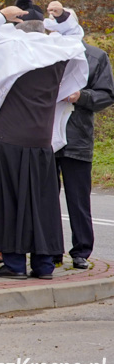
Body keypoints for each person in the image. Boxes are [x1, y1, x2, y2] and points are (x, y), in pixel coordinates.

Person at [0, 1, 87, 280]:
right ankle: (43, 265)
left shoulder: (4, 48)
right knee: (42, 204)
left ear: (16, 25)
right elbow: (75, 35)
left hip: (10, 138)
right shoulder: (58, 50)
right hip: (42, 140)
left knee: (9, 200)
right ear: (43, 26)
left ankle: (15, 264)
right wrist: (64, 15)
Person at [54, 37, 114, 269]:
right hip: (45, 137)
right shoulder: (46, 52)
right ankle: (51, 249)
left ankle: (81, 251)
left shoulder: (96, 56)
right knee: (46, 198)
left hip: (77, 139)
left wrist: (82, 96)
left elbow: (107, 95)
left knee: (78, 199)